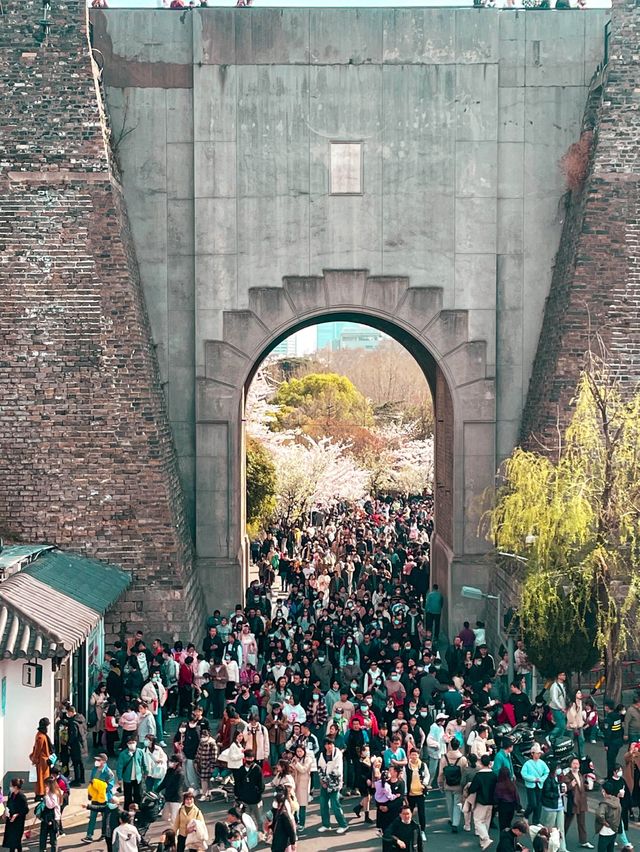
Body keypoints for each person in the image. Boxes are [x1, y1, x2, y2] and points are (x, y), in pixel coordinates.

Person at [82, 752, 115, 843]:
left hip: (104, 798)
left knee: (104, 818)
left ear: (104, 761)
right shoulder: (94, 770)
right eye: (96, 760)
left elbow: (110, 786)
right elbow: (91, 782)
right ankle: (89, 835)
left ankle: (104, 834)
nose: (96, 761)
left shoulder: (108, 773)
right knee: (92, 817)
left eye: (98, 760)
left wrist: (99, 789)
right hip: (95, 798)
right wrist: (90, 792)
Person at [317, 739, 348, 834]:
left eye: (330, 744)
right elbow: (320, 767)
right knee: (323, 804)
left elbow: (337, 770)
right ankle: (326, 824)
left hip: (334, 783)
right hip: (324, 784)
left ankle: (343, 825)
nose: (328, 746)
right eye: (326, 744)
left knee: (335, 806)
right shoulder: (322, 754)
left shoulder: (338, 754)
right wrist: (322, 780)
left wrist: (327, 781)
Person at [439, 736, 467, 833]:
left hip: (447, 784)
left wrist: (440, 784)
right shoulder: (462, 759)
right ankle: (455, 823)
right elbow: (464, 773)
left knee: (449, 804)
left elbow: (441, 773)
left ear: (450, 745)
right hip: (458, 785)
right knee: (457, 804)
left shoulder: (444, 758)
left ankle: (451, 819)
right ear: (459, 746)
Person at [564, 756, 592, 849]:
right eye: (574, 764)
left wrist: (587, 786)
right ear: (570, 765)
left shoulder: (580, 775)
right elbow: (565, 788)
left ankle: (583, 841)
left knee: (582, 823)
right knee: (567, 822)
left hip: (581, 801)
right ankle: (560, 838)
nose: (576, 765)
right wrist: (570, 785)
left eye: (577, 763)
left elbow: (581, 786)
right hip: (572, 802)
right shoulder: (568, 776)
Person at [469, 754, 496, 850]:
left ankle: (485, 838)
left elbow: (472, 789)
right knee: (486, 822)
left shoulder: (479, 775)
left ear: (480, 762)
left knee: (478, 821)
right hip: (491, 802)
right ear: (489, 763)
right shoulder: (493, 775)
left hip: (481, 801)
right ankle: (482, 842)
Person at [234, 750, 264, 832]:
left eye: (251, 758)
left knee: (259, 819)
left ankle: (261, 833)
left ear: (254, 758)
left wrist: (257, 793)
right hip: (244, 801)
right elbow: (237, 784)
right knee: (245, 820)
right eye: (248, 758)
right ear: (245, 758)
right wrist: (238, 796)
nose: (250, 760)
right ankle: (248, 833)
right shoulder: (241, 770)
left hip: (256, 800)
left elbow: (261, 785)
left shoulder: (257, 769)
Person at [540, 763, 567, 852]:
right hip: (551, 806)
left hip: (560, 806)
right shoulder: (548, 779)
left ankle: (562, 848)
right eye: (557, 768)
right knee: (549, 828)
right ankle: (547, 848)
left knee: (561, 828)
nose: (559, 770)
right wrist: (557, 794)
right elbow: (546, 793)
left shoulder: (559, 778)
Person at [521, 742, 549, 825]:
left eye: (539, 753)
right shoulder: (527, 764)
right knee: (532, 803)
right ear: (532, 754)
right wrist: (533, 779)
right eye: (537, 753)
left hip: (539, 785)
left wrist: (541, 779)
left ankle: (536, 821)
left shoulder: (542, 763)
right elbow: (524, 774)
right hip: (530, 786)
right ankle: (526, 815)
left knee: (538, 804)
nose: (538, 755)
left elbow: (546, 772)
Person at [405, 748, 429, 841]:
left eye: (416, 754)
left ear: (419, 755)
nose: (414, 756)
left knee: (421, 813)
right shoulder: (407, 766)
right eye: (412, 754)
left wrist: (424, 784)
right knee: (409, 813)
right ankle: (409, 830)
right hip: (410, 794)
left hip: (420, 793)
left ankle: (422, 831)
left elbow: (427, 775)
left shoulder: (423, 765)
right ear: (409, 756)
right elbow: (405, 778)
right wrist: (405, 793)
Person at [116, 736, 146, 808]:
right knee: (127, 796)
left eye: (133, 742)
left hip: (138, 778)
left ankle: (138, 809)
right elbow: (119, 767)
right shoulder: (123, 754)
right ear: (127, 744)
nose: (132, 744)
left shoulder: (140, 752)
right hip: (127, 778)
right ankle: (127, 810)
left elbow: (143, 763)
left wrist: (146, 772)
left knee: (138, 795)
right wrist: (119, 778)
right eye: (130, 743)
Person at [291, 743, 313, 833]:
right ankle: (296, 821)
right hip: (295, 783)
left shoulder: (308, 759)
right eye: (297, 751)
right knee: (294, 804)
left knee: (302, 805)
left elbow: (303, 769)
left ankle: (302, 824)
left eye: (301, 751)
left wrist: (296, 764)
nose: (299, 753)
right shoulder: (294, 759)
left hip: (303, 783)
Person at [2, 779, 29, 852]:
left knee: (16, 841)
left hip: (18, 822)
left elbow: (26, 810)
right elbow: (9, 805)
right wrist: (5, 813)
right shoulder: (11, 794)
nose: (10, 787)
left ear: (16, 787)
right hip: (10, 821)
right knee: (11, 841)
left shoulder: (21, 796)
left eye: (11, 785)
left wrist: (17, 815)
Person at [30, 718, 53, 799]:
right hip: (42, 761)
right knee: (41, 778)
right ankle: (40, 794)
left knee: (42, 778)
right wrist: (34, 759)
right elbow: (37, 750)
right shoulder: (41, 736)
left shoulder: (40, 735)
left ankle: (41, 793)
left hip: (43, 760)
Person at [595, 782, 622, 852]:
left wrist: (604, 822)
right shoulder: (617, 800)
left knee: (601, 849)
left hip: (605, 830)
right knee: (610, 848)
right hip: (614, 829)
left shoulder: (604, 804)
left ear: (604, 791)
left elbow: (599, 814)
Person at [158, 755, 184, 824]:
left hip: (176, 798)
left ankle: (176, 831)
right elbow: (164, 782)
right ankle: (175, 826)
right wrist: (156, 790)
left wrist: (167, 795)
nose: (170, 762)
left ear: (177, 763)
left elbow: (177, 787)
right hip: (168, 798)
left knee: (174, 818)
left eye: (172, 761)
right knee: (165, 816)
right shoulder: (169, 771)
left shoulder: (180, 774)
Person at [39, 778, 62, 852]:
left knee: (52, 839)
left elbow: (50, 805)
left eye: (46, 785)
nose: (45, 786)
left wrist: (46, 795)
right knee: (43, 837)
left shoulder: (54, 794)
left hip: (53, 818)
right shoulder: (54, 793)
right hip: (47, 817)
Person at [603, 699, 625, 778]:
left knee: (610, 761)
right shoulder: (617, 716)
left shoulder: (608, 719)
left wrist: (606, 744)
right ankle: (613, 774)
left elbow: (607, 733)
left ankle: (610, 777)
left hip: (612, 743)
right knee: (614, 759)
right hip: (618, 741)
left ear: (607, 707)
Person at [495, 765, 520, 831]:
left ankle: (503, 839)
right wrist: (517, 806)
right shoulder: (512, 784)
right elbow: (516, 796)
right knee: (508, 824)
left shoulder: (499, 785)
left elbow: (497, 797)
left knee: (502, 825)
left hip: (503, 806)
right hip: (511, 806)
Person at [548, 673, 568, 741]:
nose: (564, 676)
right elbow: (554, 699)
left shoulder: (563, 685)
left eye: (564, 675)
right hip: (556, 708)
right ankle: (551, 737)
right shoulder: (554, 686)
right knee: (561, 725)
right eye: (562, 675)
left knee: (562, 725)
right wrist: (561, 707)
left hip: (562, 708)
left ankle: (559, 739)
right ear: (558, 676)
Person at [566, 690, 586, 759]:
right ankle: (568, 755)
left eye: (580, 693)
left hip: (579, 724)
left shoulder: (580, 702)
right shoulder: (572, 704)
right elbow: (571, 716)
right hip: (572, 726)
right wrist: (575, 727)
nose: (580, 694)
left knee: (582, 740)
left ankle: (582, 755)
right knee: (570, 741)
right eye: (578, 693)